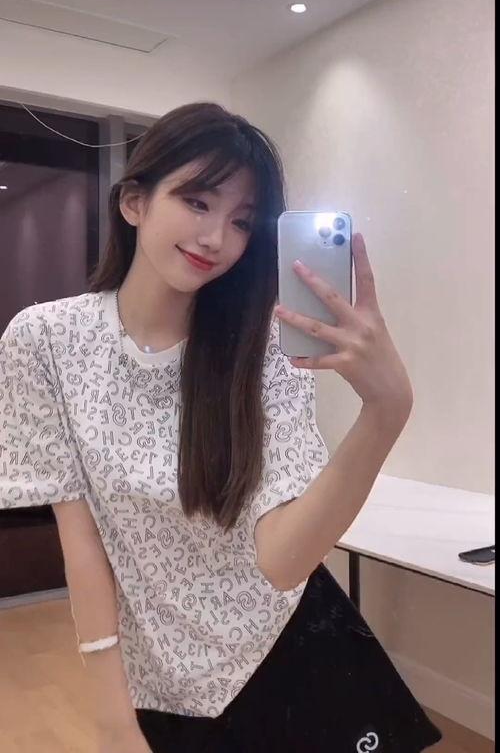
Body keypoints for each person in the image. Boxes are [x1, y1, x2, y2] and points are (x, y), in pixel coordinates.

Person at [0, 102, 442, 752]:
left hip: (297, 650)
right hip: (164, 682)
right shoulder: (44, 341)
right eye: (197, 201)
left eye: (241, 221)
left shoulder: (264, 347)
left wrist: (386, 413)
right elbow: (84, 543)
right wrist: (111, 718)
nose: (216, 238)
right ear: (134, 202)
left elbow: (282, 562)